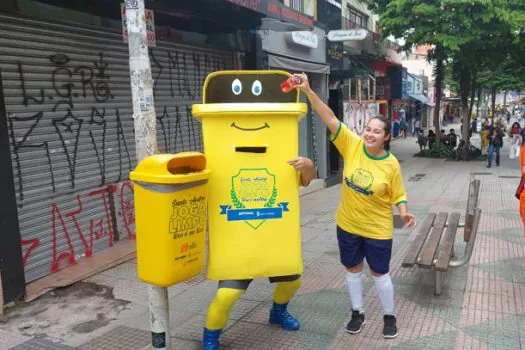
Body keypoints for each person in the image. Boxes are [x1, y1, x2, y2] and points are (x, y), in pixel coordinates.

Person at [295, 73, 416, 339]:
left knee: (380, 273)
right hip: (348, 224)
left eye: (376, 131)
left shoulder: (390, 164)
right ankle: (356, 312)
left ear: (386, 137)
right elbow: (329, 118)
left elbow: (398, 193)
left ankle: (389, 316)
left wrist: (403, 212)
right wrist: (308, 91)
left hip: (378, 228)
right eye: (367, 129)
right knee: (352, 270)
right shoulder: (352, 144)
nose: (370, 134)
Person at [202, 154, 316, 349]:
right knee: (226, 296)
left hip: (274, 240)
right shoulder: (219, 156)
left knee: (292, 282)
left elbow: (307, 178)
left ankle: (278, 312)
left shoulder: (280, 160)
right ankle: (210, 337)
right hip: (237, 243)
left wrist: (308, 165)